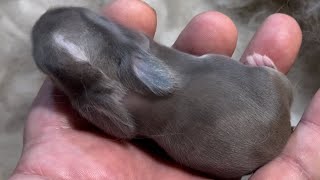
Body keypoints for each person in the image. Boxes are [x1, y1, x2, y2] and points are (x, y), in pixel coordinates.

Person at [10, 0, 319, 179]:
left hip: (233, 157)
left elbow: (123, 128)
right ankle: (271, 79)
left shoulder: (103, 105)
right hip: (260, 110)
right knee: (222, 69)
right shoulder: (139, 48)